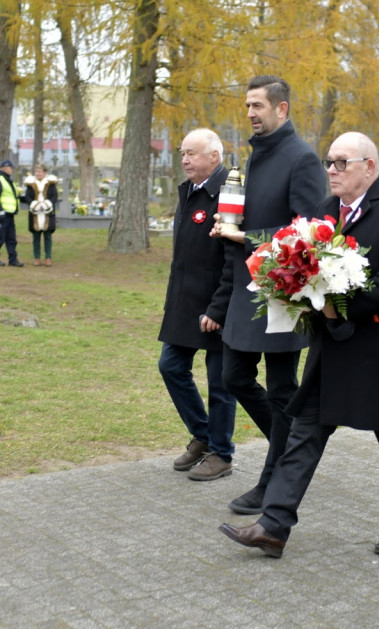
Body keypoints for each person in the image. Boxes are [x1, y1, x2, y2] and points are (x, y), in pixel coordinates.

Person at [219, 132, 379, 558]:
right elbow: (306, 264)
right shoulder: (325, 210)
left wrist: (336, 300)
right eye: (328, 162)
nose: (330, 170)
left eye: (340, 163)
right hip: (330, 345)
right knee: (305, 433)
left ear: (369, 166)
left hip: (377, 347)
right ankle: (273, 526)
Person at [207, 75, 327, 490]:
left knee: (280, 389)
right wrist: (229, 227)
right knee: (234, 376)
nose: (250, 114)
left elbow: (308, 230)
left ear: (282, 109)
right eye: (247, 106)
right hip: (247, 287)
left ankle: (274, 479)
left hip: (282, 289)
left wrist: (247, 237)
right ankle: (291, 447)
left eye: (257, 106)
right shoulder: (255, 156)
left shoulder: (302, 159)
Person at [158, 129, 238, 479]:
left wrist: (218, 309)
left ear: (214, 157)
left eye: (192, 153)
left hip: (217, 305)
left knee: (220, 381)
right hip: (185, 301)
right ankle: (203, 435)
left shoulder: (229, 193)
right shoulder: (191, 190)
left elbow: (233, 259)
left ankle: (222, 453)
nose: (185, 159)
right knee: (171, 366)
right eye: (182, 153)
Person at [22, 163, 59, 266]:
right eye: (36, 171)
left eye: (39, 171)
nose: (37, 173)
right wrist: (36, 205)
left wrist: (46, 205)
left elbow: (54, 196)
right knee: (36, 237)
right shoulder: (31, 183)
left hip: (48, 213)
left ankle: (48, 257)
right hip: (35, 213)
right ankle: (37, 258)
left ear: (44, 172)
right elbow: (27, 197)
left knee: (47, 236)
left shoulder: (50, 183)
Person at [0, 160, 23, 267]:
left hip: (10, 213)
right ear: (4, 168)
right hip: (1, 213)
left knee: (11, 238)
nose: (12, 169)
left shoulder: (9, 181)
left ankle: (13, 259)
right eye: (10, 167)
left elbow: (12, 196)